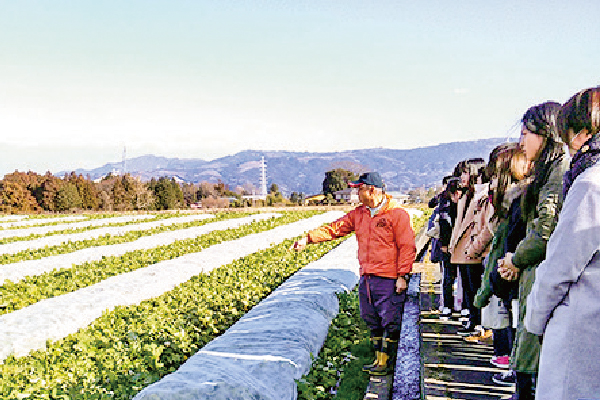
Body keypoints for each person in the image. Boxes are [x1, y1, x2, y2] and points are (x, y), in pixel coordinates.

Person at [293, 172, 416, 376]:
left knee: (390, 320)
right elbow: (336, 228)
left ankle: (388, 362)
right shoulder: (360, 214)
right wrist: (308, 239)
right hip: (367, 275)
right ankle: (378, 359)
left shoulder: (396, 214)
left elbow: (407, 246)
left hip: (388, 277)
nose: (357, 193)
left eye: (359, 189)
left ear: (372, 190)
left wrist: (402, 275)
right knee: (371, 318)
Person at [525, 86, 600, 400]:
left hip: (581, 329)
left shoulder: (590, 184)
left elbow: (559, 268)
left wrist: (535, 320)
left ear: (582, 134)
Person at [497, 101, 569, 400]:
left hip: (540, 271)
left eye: (527, 133)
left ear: (546, 134)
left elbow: (545, 227)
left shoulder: (559, 169)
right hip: (531, 270)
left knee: (534, 346)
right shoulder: (550, 169)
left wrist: (515, 259)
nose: (522, 141)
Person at [472, 143, 530, 386]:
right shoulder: (507, 201)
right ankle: (514, 372)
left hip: (514, 273)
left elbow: (505, 237)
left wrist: (513, 262)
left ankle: (516, 373)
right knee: (510, 321)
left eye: (495, 175)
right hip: (506, 272)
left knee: (514, 325)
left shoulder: (520, 200)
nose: (491, 181)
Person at [448, 157, 487, 335]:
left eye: (465, 172)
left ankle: (478, 323)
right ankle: (473, 320)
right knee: (468, 289)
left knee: (475, 287)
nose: (462, 176)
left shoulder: (481, 195)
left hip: (474, 250)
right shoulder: (465, 196)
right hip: (462, 249)